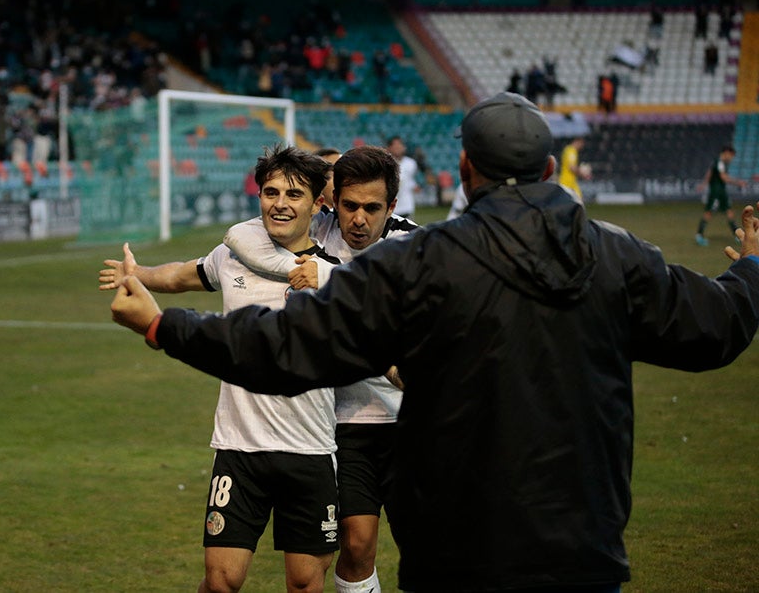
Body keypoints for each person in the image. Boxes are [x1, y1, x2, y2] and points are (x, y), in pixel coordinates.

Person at [109, 92, 759, 593]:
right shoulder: (619, 256)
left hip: (457, 556)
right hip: (584, 551)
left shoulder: (422, 261)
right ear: (547, 168)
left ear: (464, 169)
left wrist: (164, 325)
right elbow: (718, 326)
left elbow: (290, 343)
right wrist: (751, 270)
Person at [100, 145, 343, 593]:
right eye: (270, 192)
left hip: (309, 448)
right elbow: (181, 277)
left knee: (306, 583)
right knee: (219, 582)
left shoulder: (334, 274)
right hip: (239, 446)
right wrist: (140, 273)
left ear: (317, 203)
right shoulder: (233, 255)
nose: (280, 203)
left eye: (294, 194)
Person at [223, 145, 417, 593]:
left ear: (391, 206)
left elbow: (383, 300)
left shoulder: (409, 242)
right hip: (344, 423)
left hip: (409, 420)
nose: (359, 220)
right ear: (331, 201)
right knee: (355, 542)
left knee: (424, 544)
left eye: (372, 209)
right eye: (349, 206)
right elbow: (239, 235)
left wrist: (326, 278)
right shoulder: (317, 230)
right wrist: (295, 264)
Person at [696, 144, 748, 247]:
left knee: (729, 211)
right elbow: (724, 178)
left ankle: (737, 235)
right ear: (727, 153)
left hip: (721, 192)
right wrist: (738, 182)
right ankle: (699, 235)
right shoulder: (720, 163)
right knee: (709, 212)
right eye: (731, 156)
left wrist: (703, 184)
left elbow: (709, 173)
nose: (731, 159)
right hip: (716, 192)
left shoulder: (718, 162)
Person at [385, 135, 418, 219]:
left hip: (407, 206)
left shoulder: (411, 163)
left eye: (400, 145)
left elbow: (410, 180)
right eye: (395, 145)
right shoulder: (385, 164)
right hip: (391, 208)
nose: (398, 148)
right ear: (389, 148)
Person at [558, 136, 587, 203]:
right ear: (578, 142)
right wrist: (582, 173)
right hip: (567, 181)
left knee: (578, 201)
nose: (582, 147)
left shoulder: (568, 149)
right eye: (582, 145)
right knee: (577, 201)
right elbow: (572, 167)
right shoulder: (571, 151)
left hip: (571, 181)